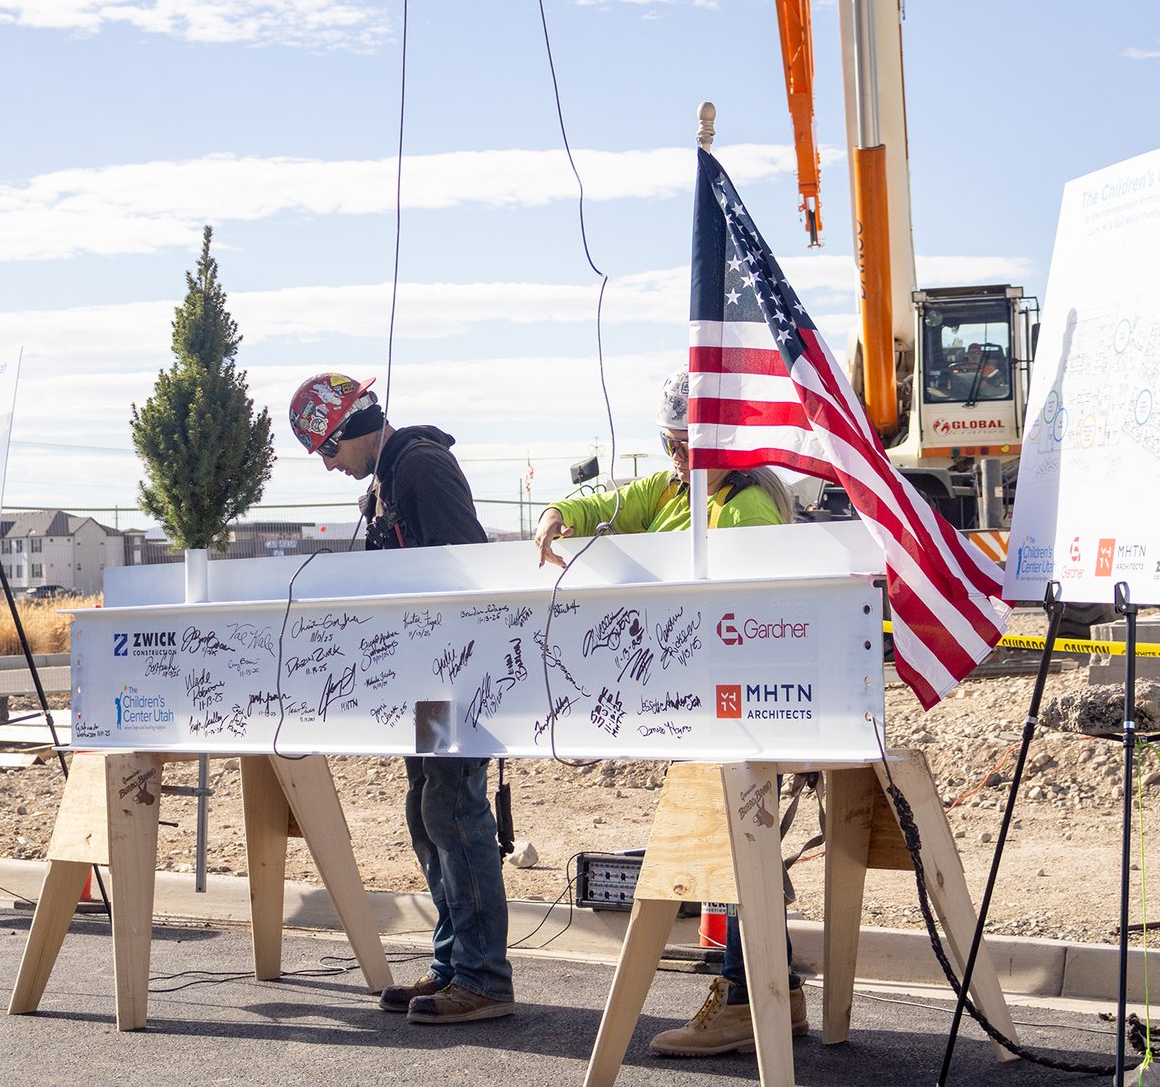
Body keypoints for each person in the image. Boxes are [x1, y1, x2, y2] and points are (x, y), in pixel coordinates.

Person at [533, 367, 808, 1056]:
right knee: (737, 846)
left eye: (690, 445)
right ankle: (775, 992)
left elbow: (746, 615)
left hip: (739, 705)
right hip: (704, 703)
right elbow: (613, 498)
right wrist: (561, 513)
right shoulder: (672, 490)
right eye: (670, 444)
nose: (679, 458)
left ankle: (747, 998)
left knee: (733, 846)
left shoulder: (746, 508)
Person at [289, 371, 514, 1024]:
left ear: (354, 427)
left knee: (453, 809)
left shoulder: (419, 467)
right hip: (427, 678)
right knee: (427, 809)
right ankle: (454, 965)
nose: (329, 465)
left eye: (329, 449)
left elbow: (468, 571)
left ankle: (482, 979)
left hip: (455, 676)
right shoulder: (388, 481)